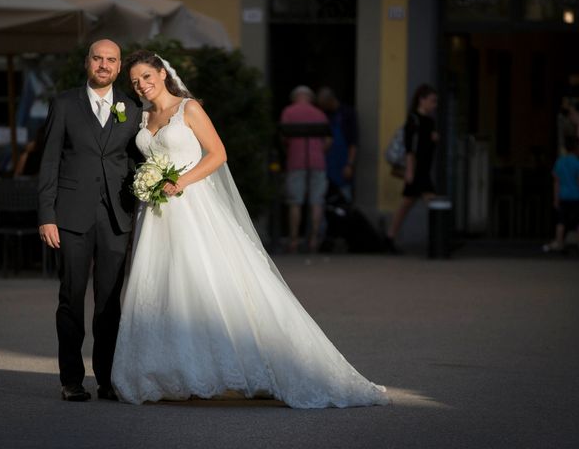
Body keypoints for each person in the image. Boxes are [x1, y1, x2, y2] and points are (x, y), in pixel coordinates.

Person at [110, 51, 388, 409]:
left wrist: (179, 182)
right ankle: (172, 372)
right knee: (163, 289)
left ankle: (258, 365)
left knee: (206, 284)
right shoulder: (141, 116)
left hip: (193, 207)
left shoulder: (188, 109)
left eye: (146, 76)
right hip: (156, 216)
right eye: (134, 82)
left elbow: (217, 154)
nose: (142, 86)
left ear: (162, 74)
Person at [38, 39, 142, 402]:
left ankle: (108, 378)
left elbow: (135, 162)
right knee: (71, 297)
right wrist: (46, 215)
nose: (104, 65)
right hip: (70, 215)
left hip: (116, 216)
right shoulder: (65, 103)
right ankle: (71, 380)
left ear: (118, 67)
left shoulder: (131, 107)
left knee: (109, 301)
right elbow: (49, 161)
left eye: (111, 60)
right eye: (98, 58)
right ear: (87, 62)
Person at [385, 84, 439, 252]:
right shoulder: (413, 120)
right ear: (421, 100)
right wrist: (409, 171)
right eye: (432, 101)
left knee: (406, 204)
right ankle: (439, 239)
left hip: (423, 169)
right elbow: (411, 148)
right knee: (431, 202)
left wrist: (434, 140)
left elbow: (425, 147)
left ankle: (390, 237)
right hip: (417, 171)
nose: (434, 105)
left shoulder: (430, 122)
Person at [280, 86, 331, 253]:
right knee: (317, 202)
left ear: (295, 97)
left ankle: (294, 241)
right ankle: (313, 240)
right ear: (310, 98)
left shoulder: (289, 112)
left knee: (295, 202)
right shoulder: (319, 113)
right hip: (318, 162)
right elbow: (328, 141)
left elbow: (283, 138)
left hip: (296, 161)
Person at [317, 87, 358, 202]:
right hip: (325, 164)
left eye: (323, 104)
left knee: (345, 198)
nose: (322, 108)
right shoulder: (324, 115)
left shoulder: (347, 113)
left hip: (342, 163)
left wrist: (349, 164)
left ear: (330, 100)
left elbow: (353, 142)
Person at [542, 136, 579, 253]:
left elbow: (556, 182)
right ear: (576, 148)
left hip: (563, 195)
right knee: (578, 221)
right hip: (576, 196)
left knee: (561, 221)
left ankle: (559, 242)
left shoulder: (560, 162)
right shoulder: (577, 163)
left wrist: (556, 198)